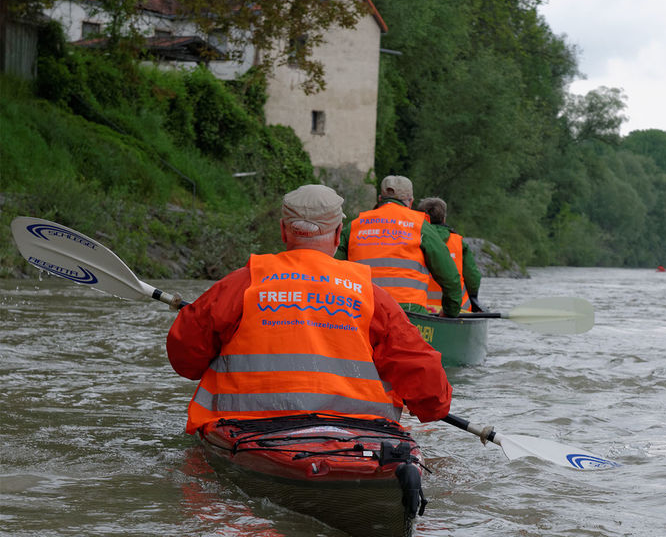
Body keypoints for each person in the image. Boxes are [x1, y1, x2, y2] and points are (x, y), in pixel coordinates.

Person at [166, 184, 452, 434]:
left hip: (248, 429)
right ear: (339, 233)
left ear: (282, 231)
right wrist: (430, 407)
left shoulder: (242, 283)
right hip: (357, 434)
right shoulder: (371, 295)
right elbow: (426, 377)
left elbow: (185, 357)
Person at [334, 175, 462, 317]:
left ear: (380, 199)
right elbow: (450, 277)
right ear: (411, 202)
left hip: (362, 310)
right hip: (409, 313)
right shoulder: (420, 226)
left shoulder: (354, 226)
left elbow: (332, 269)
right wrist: (450, 311)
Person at [417, 196, 483, 313]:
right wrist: (474, 298)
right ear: (444, 218)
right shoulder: (458, 242)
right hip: (457, 310)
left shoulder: (412, 238)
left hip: (420, 308)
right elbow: (473, 278)